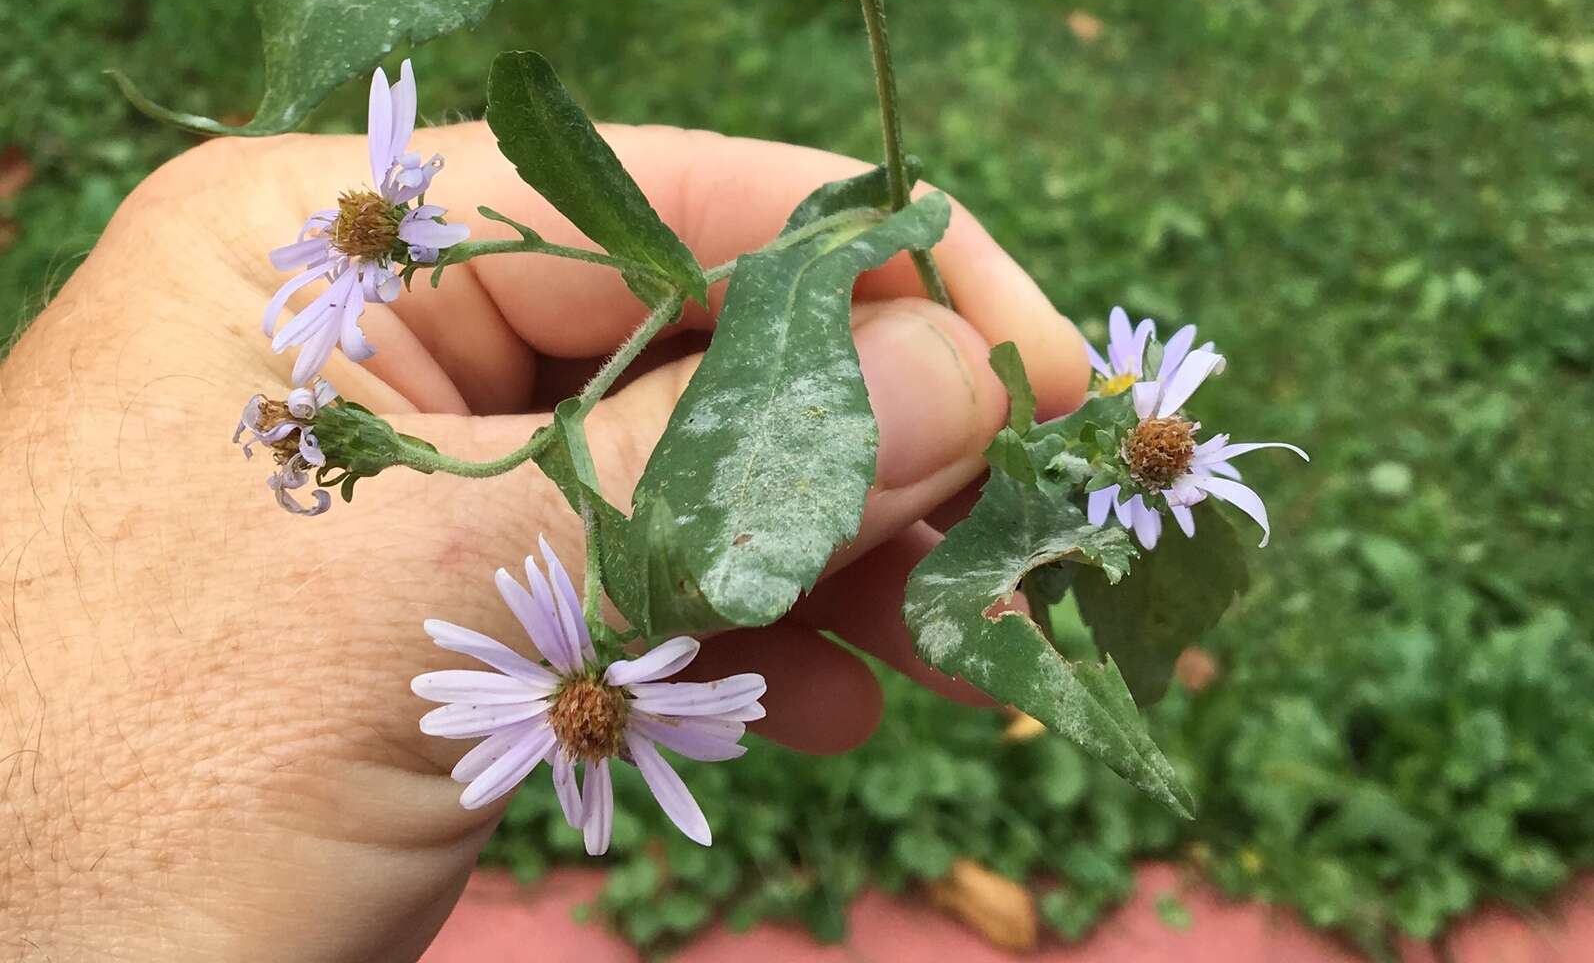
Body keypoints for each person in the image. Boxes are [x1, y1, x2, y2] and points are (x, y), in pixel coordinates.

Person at [0, 121, 1088, 960]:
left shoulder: (572, 675)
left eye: (587, 718)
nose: (585, 723)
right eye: (594, 720)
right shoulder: (584, 674)